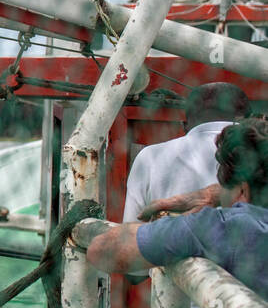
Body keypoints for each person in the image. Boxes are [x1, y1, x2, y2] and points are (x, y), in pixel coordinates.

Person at [121, 83, 248, 308]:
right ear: (249, 121)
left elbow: (133, 268)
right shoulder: (258, 165)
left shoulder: (152, 159)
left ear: (185, 121)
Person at [87, 117, 268, 296]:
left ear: (243, 189)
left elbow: (101, 250)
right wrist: (215, 194)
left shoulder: (224, 227)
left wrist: (173, 225)